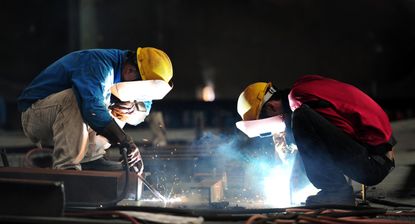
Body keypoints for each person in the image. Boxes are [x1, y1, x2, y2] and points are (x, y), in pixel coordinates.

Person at [236, 75, 396, 206]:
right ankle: (337, 191)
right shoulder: (304, 88)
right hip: (379, 154)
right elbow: (337, 135)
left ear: (271, 107)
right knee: (301, 118)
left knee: (301, 117)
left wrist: (296, 142)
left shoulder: (297, 100)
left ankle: (335, 192)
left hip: (373, 162)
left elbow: (330, 139)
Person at [18, 47, 173, 172]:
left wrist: (133, 108)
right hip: (35, 115)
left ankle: (90, 159)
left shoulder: (135, 75)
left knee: (119, 108)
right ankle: (66, 167)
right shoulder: (99, 64)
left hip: (67, 121)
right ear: (129, 71)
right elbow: (92, 109)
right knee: (77, 98)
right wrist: (125, 140)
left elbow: (145, 106)